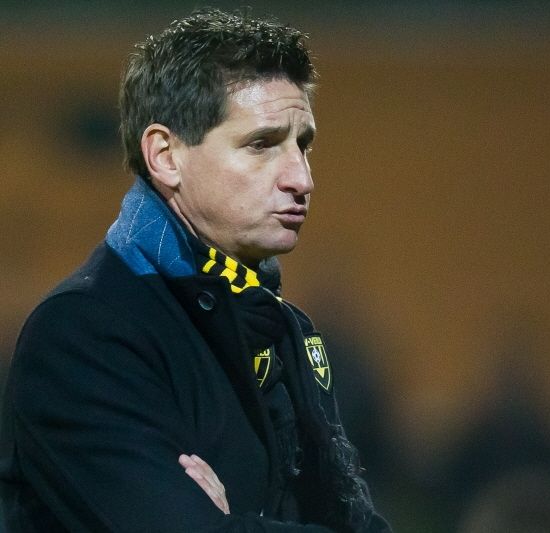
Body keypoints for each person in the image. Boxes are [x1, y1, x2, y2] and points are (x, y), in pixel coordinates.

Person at [0, 8, 391, 532]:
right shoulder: (84, 333)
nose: (301, 178)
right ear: (165, 156)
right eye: (262, 144)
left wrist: (235, 522)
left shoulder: (285, 330)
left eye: (303, 145)